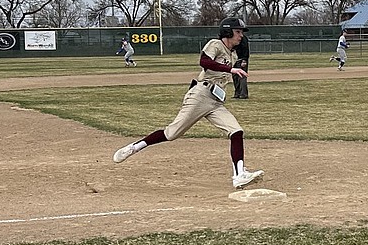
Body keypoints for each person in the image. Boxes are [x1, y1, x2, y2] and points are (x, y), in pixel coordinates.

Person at [111, 17, 263, 190]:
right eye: (238, 32)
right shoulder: (215, 44)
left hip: (215, 101)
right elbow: (204, 62)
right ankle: (134, 148)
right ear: (227, 32)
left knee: (236, 131)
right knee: (171, 133)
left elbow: (235, 60)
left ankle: (239, 175)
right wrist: (230, 69)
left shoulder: (232, 53)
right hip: (200, 96)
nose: (241, 35)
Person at [232, 31, 250, 98]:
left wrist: (244, 60)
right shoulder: (233, 39)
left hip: (241, 59)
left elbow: (245, 49)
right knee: (235, 77)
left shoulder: (243, 38)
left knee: (242, 77)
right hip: (234, 59)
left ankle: (243, 94)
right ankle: (237, 93)